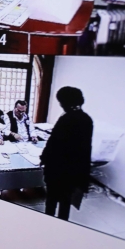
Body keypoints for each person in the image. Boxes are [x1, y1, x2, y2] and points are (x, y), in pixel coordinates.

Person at [40, 87, 93, 221]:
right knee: (66, 201)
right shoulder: (87, 119)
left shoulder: (66, 119)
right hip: (73, 171)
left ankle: (48, 223)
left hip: (57, 169)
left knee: (51, 200)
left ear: (66, 102)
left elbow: (53, 144)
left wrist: (44, 158)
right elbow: (86, 149)